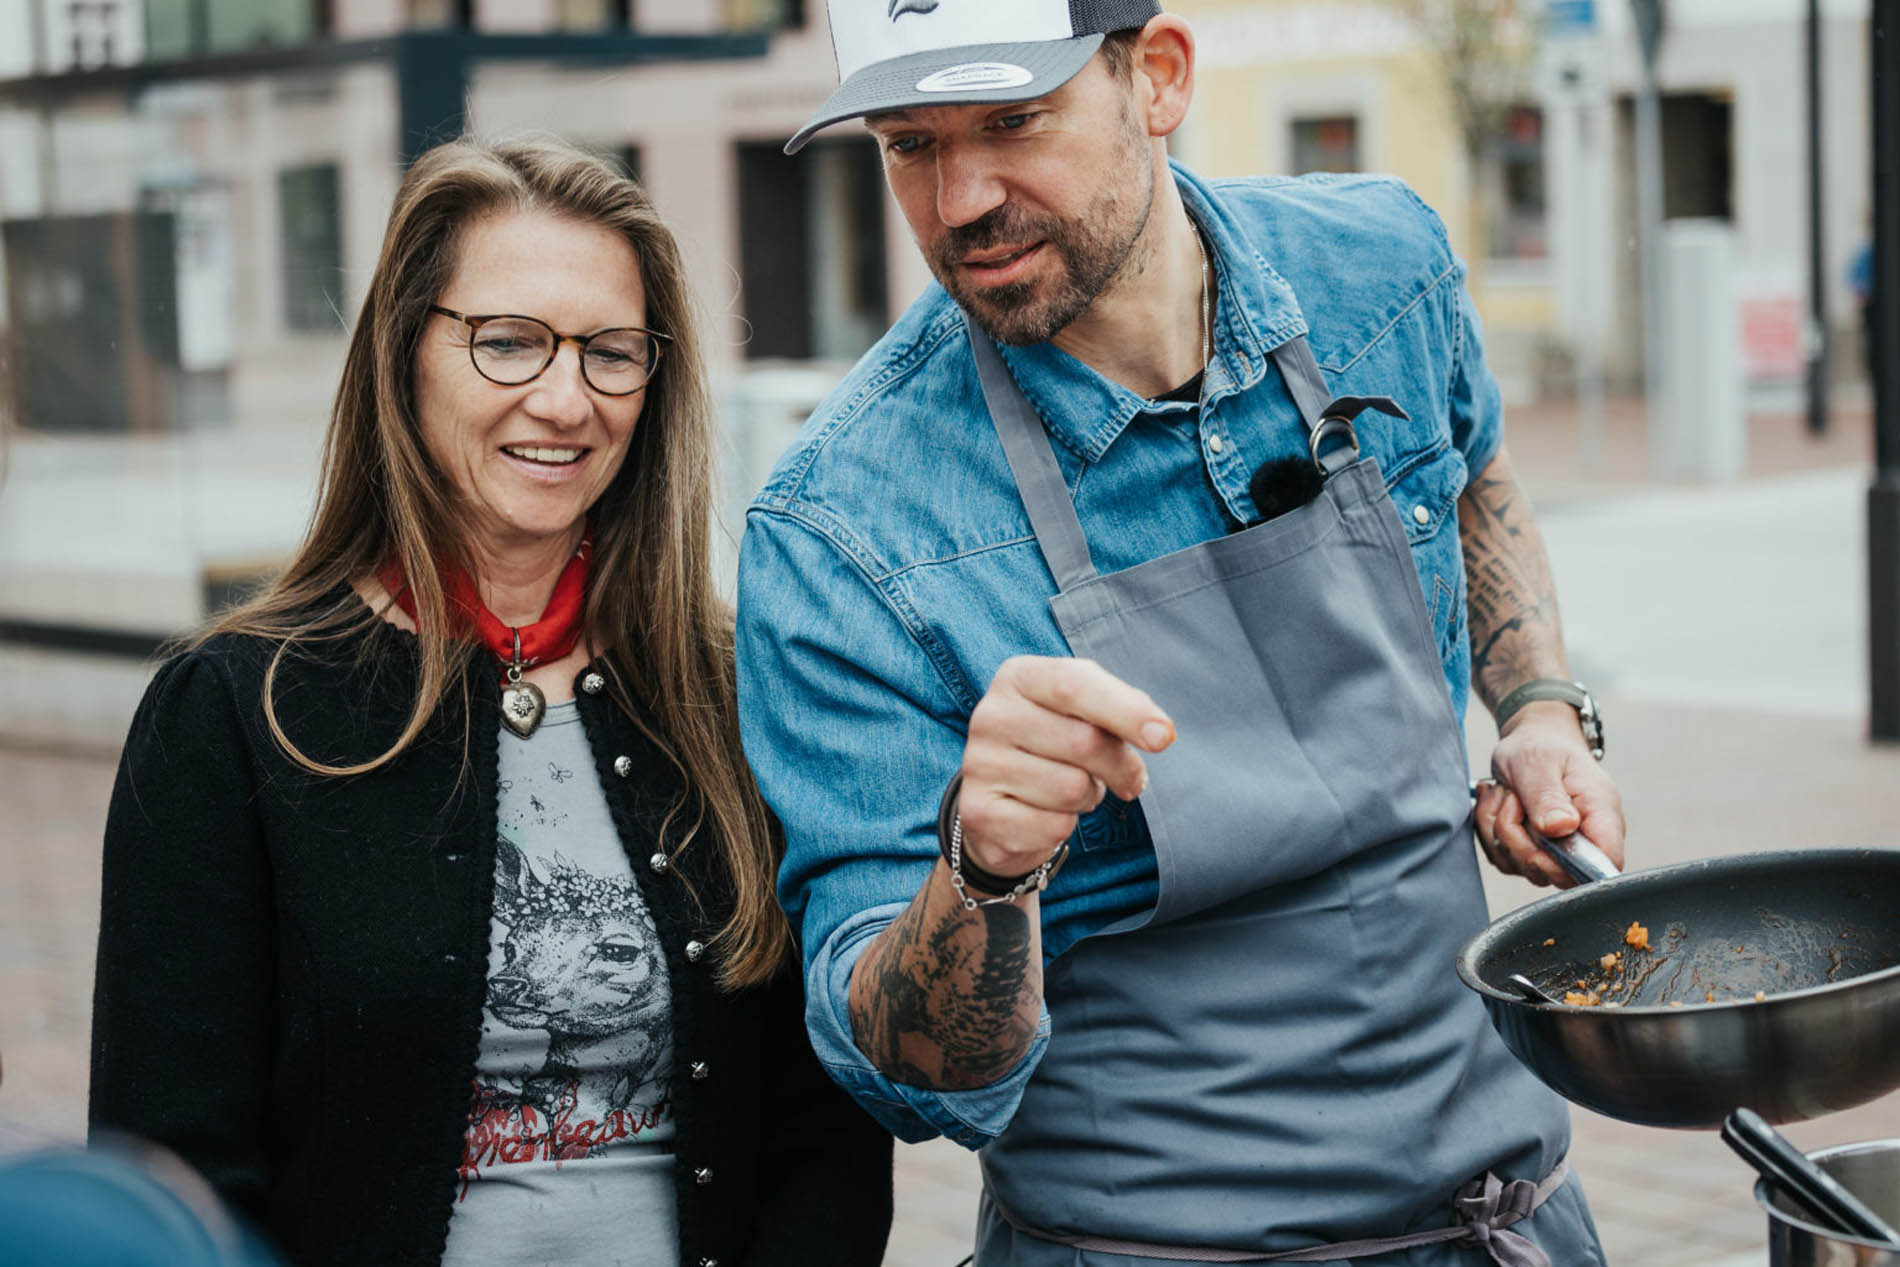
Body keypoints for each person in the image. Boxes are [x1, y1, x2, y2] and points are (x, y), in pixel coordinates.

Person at [735, 5, 1625, 1266]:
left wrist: (1537, 706)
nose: (959, 198)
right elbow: (912, 1079)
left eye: (1010, 121)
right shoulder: (844, 529)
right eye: (905, 143)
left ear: (1155, 78)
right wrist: (981, 869)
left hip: (1509, 1221)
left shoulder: (1380, 266)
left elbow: (1475, 470)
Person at [91, 136, 892, 1267]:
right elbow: (166, 1176)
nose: (564, 400)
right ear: (404, 351)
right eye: (506, 342)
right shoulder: (233, 713)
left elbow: (822, 1137)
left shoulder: (733, 686)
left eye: (611, 351)